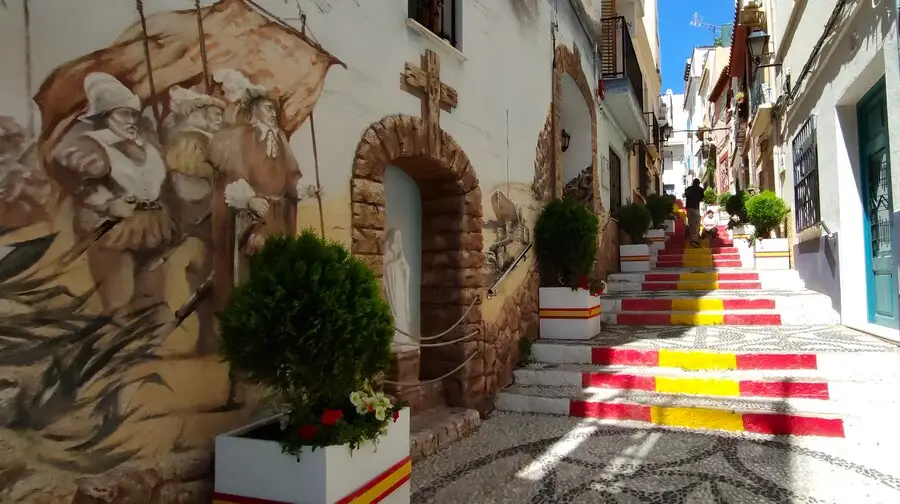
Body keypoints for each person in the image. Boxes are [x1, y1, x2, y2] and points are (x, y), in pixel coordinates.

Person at [683, 178, 705, 247]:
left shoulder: (688, 189)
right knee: (697, 224)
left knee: (691, 224)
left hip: (689, 208)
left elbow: (685, 195)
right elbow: (702, 198)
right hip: (695, 208)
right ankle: (695, 240)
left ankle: (691, 239)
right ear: (698, 183)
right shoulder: (701, 189)